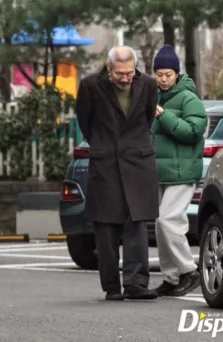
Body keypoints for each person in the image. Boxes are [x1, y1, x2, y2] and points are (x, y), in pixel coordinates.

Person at [75, 46, 159, 301]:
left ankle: (136, 284)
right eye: (120, 73)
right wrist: (104, 145)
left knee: (137, 223)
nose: (125, 78)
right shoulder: (90, 86)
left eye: (130, 73)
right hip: (106, 161)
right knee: (106, 225)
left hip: (137, 161)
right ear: (109, 68)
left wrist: (131, 145)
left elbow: (147, 120)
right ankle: (112, 286)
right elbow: (85, 122)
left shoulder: (148, 85)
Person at [150, 44, 207, 297]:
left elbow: (193, 132)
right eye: (159, 74)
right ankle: (170, 278)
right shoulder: (153, 96)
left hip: (183, 170)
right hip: (160, 171)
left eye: (168, 75)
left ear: (177, 73)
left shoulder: (189, 98)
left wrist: (163, 116)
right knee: (160, 225)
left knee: (168, 220)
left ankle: (188, 270)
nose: (163, 79)